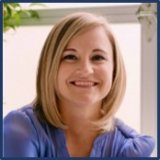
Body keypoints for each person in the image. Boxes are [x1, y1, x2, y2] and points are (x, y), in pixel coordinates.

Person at [3, 12, 155, 157]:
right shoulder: (20, 130)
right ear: (50, 65)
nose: (86, 70)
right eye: (70, 56)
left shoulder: (128, 147)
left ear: (114, 69)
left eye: (97, 57)